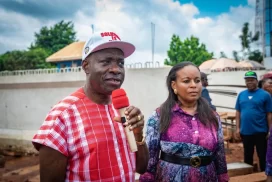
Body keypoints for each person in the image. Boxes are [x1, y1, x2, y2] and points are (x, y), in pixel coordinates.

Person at [32, 31, 149, 182]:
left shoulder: (123, 111)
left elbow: (142, 167)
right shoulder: (62, 115)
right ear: (86, 66)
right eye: (106, 62)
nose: (116, 69)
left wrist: (139, 134)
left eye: (121, 63)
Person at [139, 62, 229, 182]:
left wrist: (223, 178)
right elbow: (150, 161)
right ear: (174, 85)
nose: (194, 85)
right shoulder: (159, 116)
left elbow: (220, 155)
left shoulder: (212, 117)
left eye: (197, 81)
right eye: (186, 81)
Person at [235, 71, 272, 172]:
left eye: (251, 80)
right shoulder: (241, 95)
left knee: (262, 155)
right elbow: (238, 112)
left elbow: (269, 113)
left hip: (261, 131)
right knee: (247, 155)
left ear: (256, 81)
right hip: (246, 131)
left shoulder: (265, 95)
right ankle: (248, 177)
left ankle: (265, 175)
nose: (249, 82)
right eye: (247, 81)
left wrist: (269, 130)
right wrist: (237, 128)